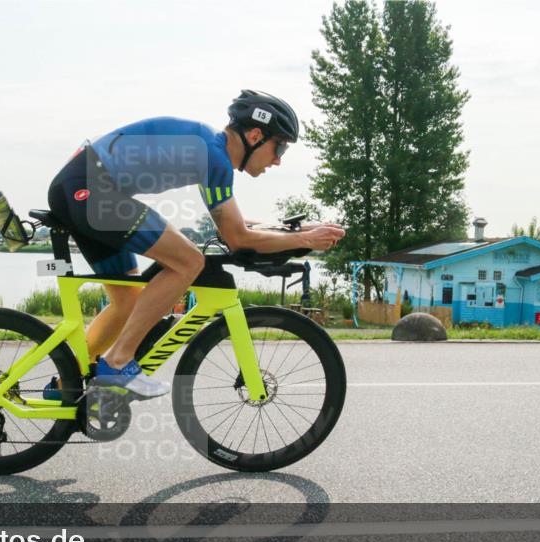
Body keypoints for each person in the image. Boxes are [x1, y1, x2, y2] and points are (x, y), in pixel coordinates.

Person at [46, 90, 345, 399]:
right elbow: (238, 238)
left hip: (79, 188)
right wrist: (305, 239)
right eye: (279, 147)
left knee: (128, 299)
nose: (279, 160)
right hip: (92, 191)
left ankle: (66, 384)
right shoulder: (213, 157)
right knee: (189, 261)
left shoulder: (208, 149)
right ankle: (118, 364)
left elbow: (234, 225)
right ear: (255, 135)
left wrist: (288, 229)